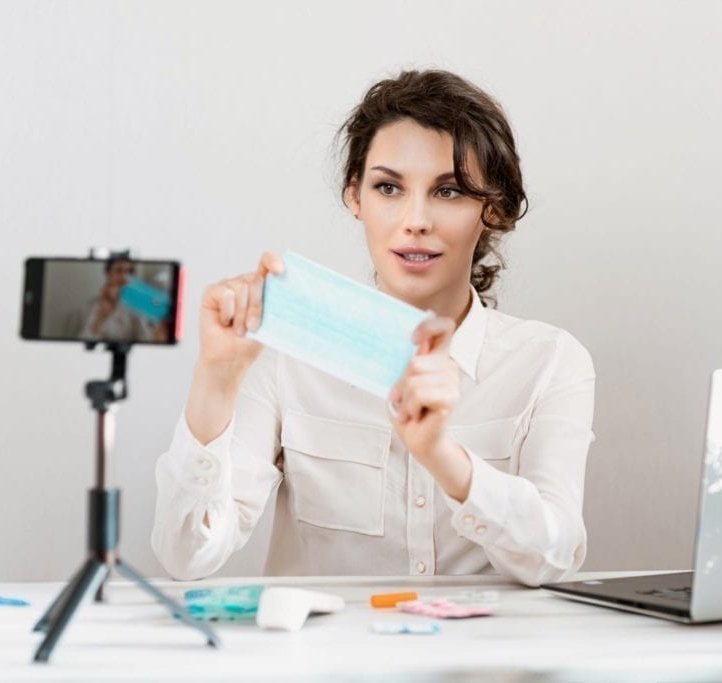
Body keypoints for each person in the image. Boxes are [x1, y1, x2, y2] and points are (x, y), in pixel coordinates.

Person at [151, 70, 595, 587]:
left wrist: (442, 457)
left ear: (492, 209)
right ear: (355, 197)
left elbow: (555, 554)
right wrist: (217, 379)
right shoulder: (284, 356)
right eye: (389, 187)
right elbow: (187, 556)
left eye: (448, 191)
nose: (415, 220)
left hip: (481, 663)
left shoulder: (549, 361)